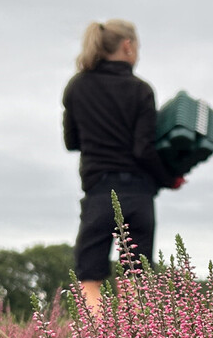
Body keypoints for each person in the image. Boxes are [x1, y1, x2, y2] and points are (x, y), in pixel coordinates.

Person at [62, 19, 183, 311]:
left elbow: (71, 141)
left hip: (99, 191)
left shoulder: (76, 87)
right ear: (127, 46)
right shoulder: (140, 90)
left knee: (90, 276)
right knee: (135, 277)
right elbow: (144, 150)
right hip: (139, 193)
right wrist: (170, 178)